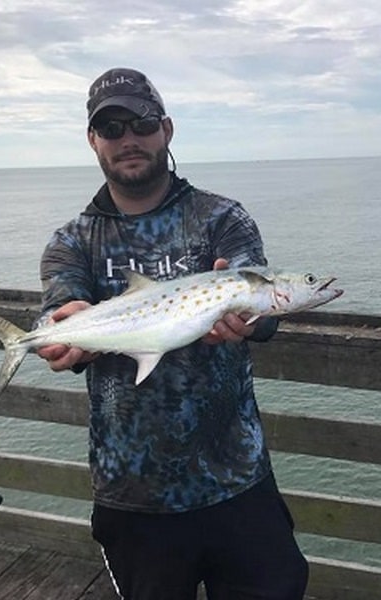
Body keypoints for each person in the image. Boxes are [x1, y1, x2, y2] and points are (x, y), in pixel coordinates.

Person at [35, 67, 309, 600]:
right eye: (111, 128)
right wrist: (64, 332)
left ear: (166, 129)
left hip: (238, 480)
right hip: (133, 496)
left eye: (141, 122)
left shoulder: (221, 218)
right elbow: (62, 315)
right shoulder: (72, 241)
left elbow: (266, 301)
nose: (128, 138)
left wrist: (249, 318)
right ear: (93, 140)